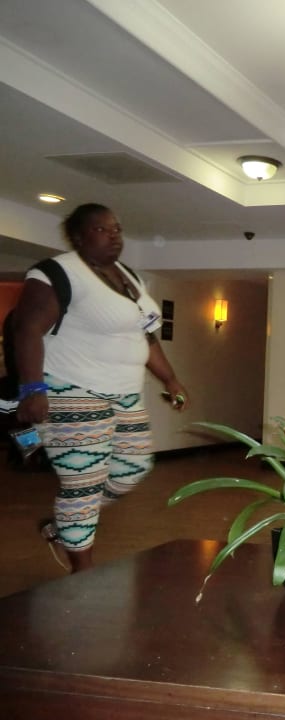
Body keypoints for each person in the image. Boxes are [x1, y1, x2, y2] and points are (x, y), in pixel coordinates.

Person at [12, 203, 189, 573]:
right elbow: (25, 329)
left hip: (124, 393)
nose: (114, 236)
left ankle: (67, 524)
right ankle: (82, 574)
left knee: (133, 466)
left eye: (117, 229)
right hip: (73, 390)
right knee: (82, 485)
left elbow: (149, 337)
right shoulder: (57, 273)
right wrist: (32, 388)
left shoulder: (129, 277)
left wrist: (170, 379)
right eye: (102, 230)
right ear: (78, 237)